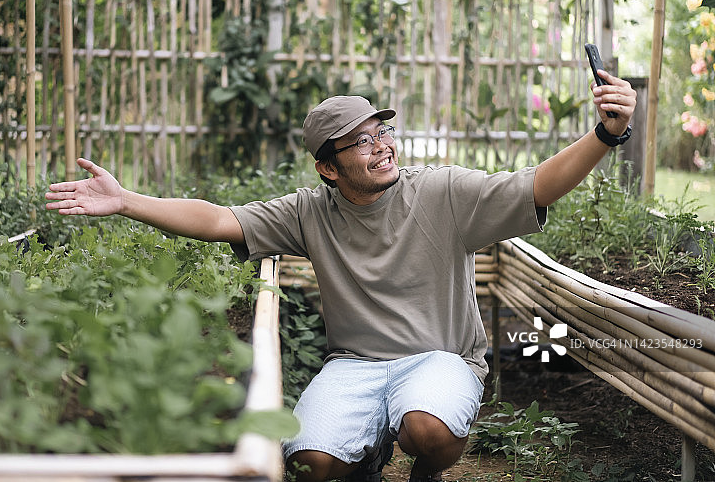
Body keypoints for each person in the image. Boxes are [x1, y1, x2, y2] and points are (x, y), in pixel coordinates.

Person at [46, 70, 636, 482]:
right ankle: (366, 457)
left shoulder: (442, 192)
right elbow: (220, 219)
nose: (381, 146)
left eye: (383, 132)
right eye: (360, 142)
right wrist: (126, 201)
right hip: (354, 366)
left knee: (428, 429)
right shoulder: (308, 212)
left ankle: (424, 471)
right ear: (329, 168)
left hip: (440, 359)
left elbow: (537, 185)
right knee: (311, 465)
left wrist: (606, 135)